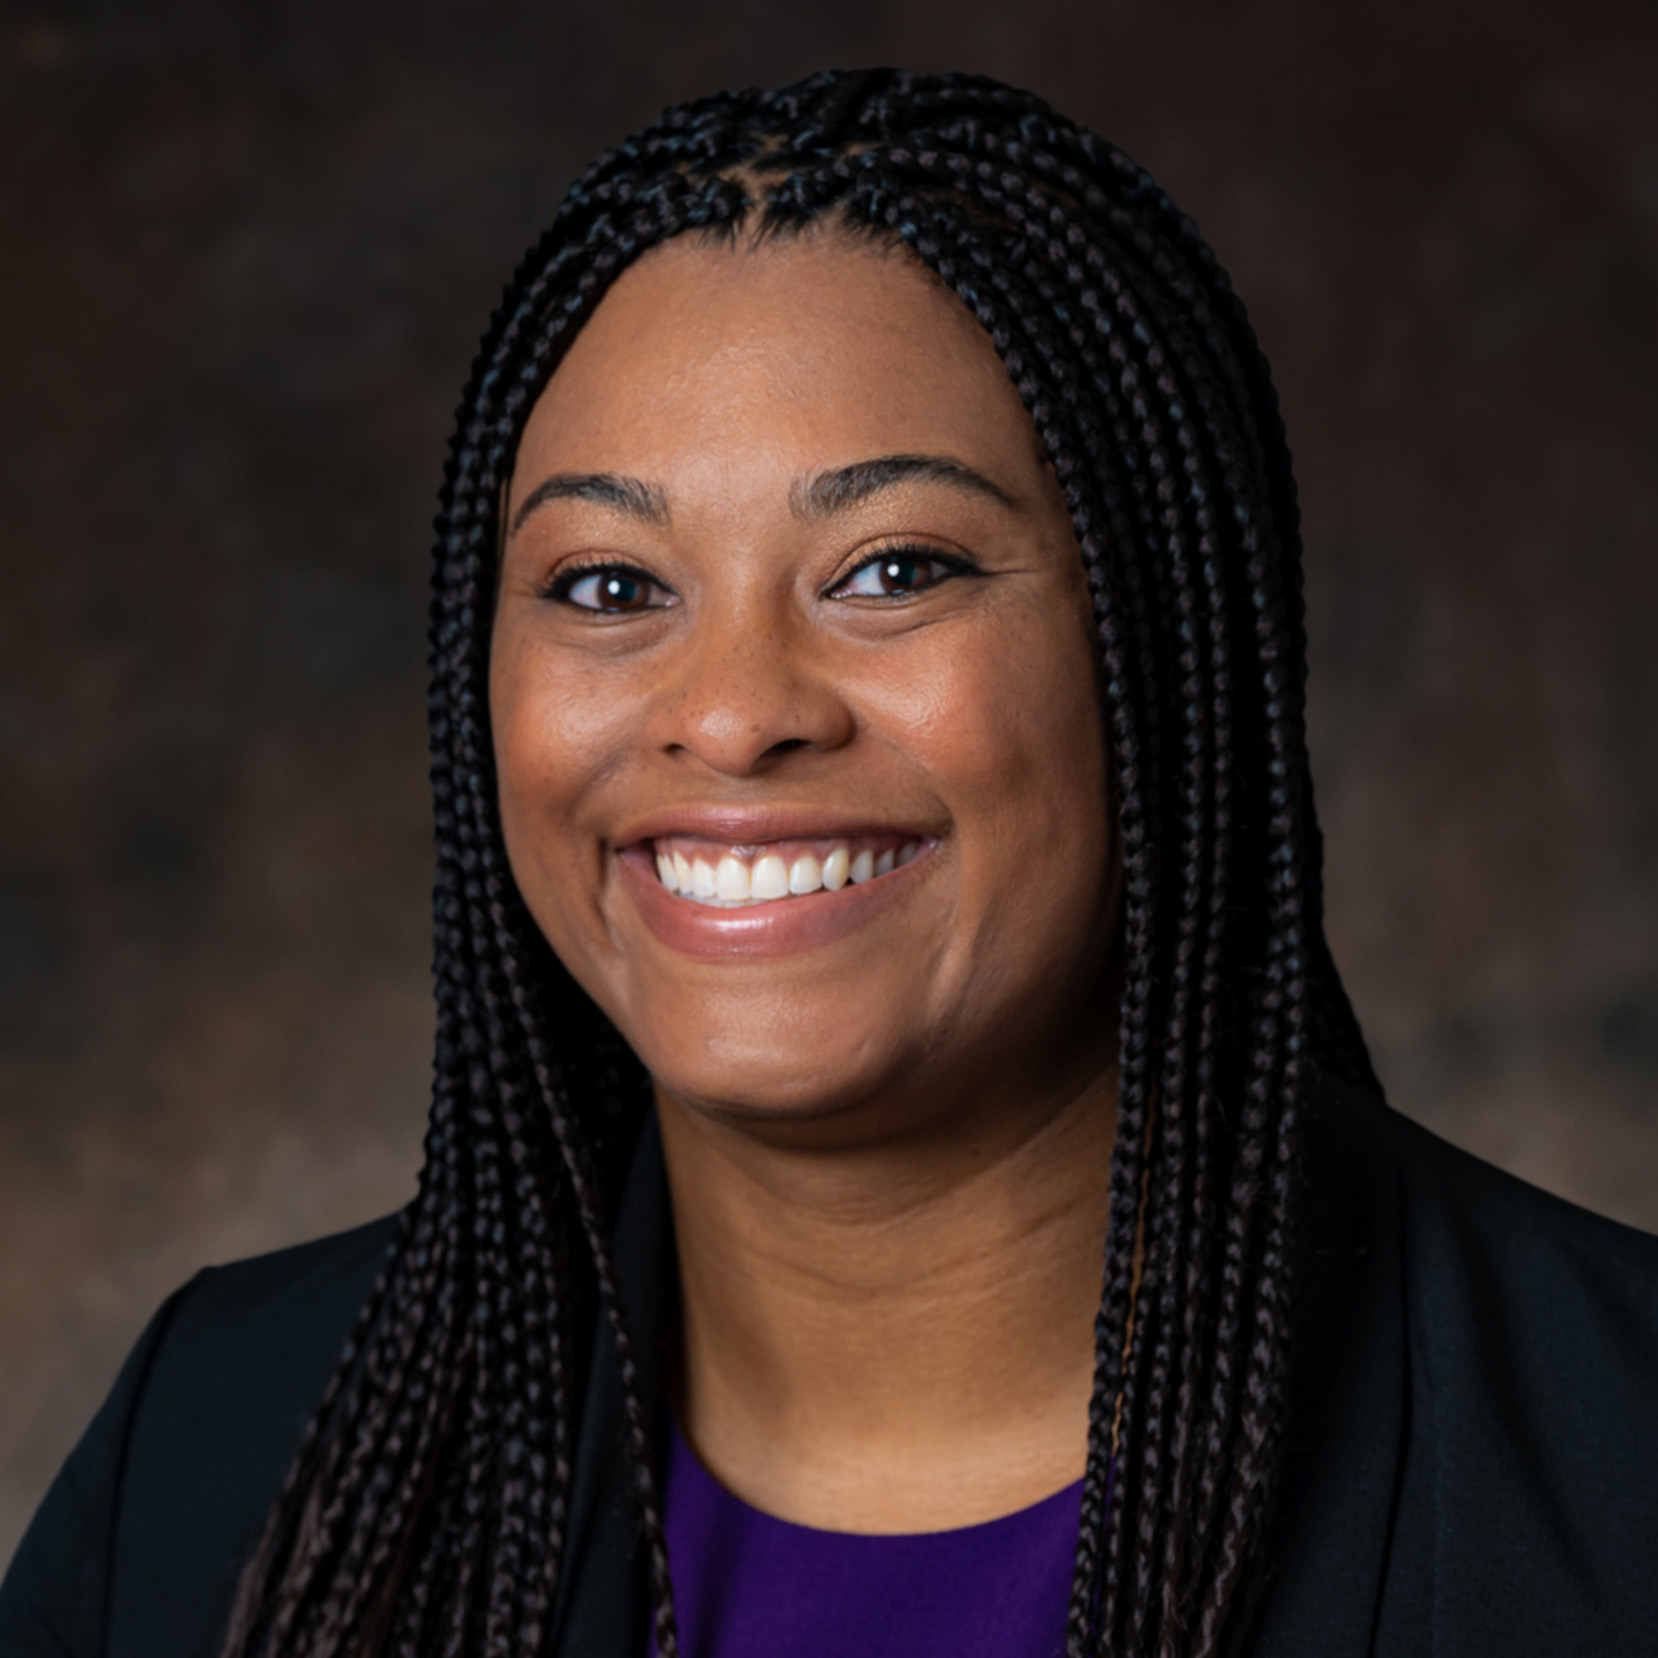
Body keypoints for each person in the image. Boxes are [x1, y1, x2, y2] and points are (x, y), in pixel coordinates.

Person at [2, 67, 1655, 1658]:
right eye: (605, 586)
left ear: (1162, 649)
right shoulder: (217, 1458)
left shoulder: (1610, 1476)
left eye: (890, 567)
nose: (728, 715)